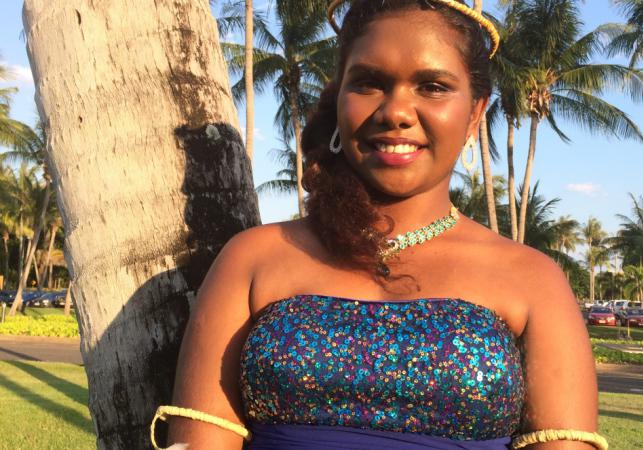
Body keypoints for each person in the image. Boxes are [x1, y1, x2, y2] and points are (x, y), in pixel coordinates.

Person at [152, 1, 603, 449]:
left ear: (474, 114)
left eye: (432, 86)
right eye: (369, 83)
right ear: (339, 97)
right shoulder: (253, 258)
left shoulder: (532, 278)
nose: (396, 111)